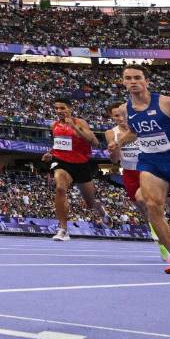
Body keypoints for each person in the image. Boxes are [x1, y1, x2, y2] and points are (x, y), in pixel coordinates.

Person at [113, 66, 170, 275]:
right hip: (151, 162)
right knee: (151, 205)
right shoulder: (125, 108)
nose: (133, 81)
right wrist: (118, 142)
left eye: (137, 77)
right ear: (123, 82)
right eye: (128, 78)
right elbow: (134, 132)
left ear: (146, 81)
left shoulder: (167, 102)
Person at [106, 102, 170, 261]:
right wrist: (115, 148)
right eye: (116, 116)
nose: (121, 118)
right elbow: (114, 160)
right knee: (146, 209)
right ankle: (162, 243)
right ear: (112, 117)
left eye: (123, 115)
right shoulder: (111, 133)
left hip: (150, 170)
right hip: (129, 174)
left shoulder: (142, 126)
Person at [42, 96, 109, 240]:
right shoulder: (54, 125)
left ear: (70, 109)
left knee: (90, 203)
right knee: (60, 188)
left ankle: (101, 210)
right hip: (61, 162)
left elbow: (95, 143)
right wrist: (50, 153)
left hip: (81, 164)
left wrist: (74, 127)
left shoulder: (80, 122)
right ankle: (63, 229)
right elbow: (59, 144)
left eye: (62, 108)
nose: (59, 111)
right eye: (56, 108)